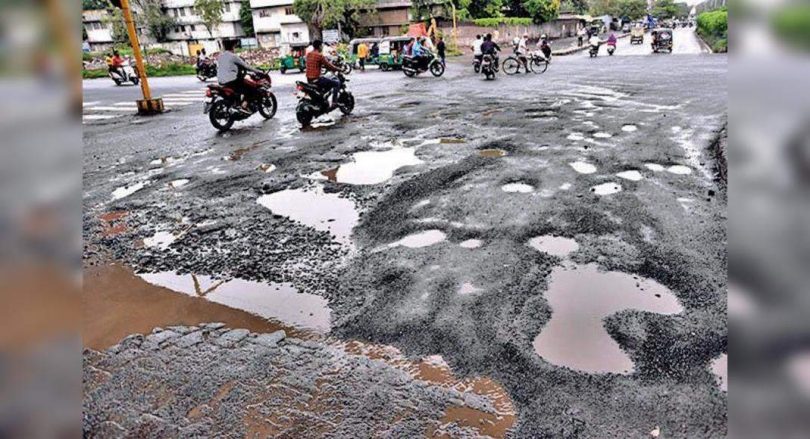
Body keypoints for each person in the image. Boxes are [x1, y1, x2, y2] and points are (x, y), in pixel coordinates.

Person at [217, 39, 264, 113]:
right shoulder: (233, 56)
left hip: (221, 81)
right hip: (231, 80)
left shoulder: (220, 56)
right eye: (234, 47)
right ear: (233, 47)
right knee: (252, 89)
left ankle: (237, 103)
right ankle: (244, 106)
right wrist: (259, 72)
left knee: (240, 88)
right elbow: (246, 66)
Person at [305, 39, 341, 109]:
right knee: (336, 83)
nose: (322, 47)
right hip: (317, 79)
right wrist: (339, 69)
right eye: (321, 46)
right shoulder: (319, 55)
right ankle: (334, 102)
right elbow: (329, 66)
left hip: (309, 79)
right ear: (319, 46)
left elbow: (314, 63)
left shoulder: (309, 54)